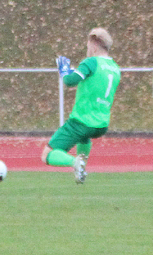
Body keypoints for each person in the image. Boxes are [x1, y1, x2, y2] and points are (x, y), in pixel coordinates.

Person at [41, 28, 121, 183]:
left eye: (88, 46)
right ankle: (81, 169)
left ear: (94, 46)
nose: (87, 50)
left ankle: (76, 162)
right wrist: (73, 72)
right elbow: (94, 82)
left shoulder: (91, 62)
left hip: (81, 121)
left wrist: (64, 71)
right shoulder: (115, 68)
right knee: (84, 138)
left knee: (47, 155)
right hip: (101, 124)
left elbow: (70, 81)